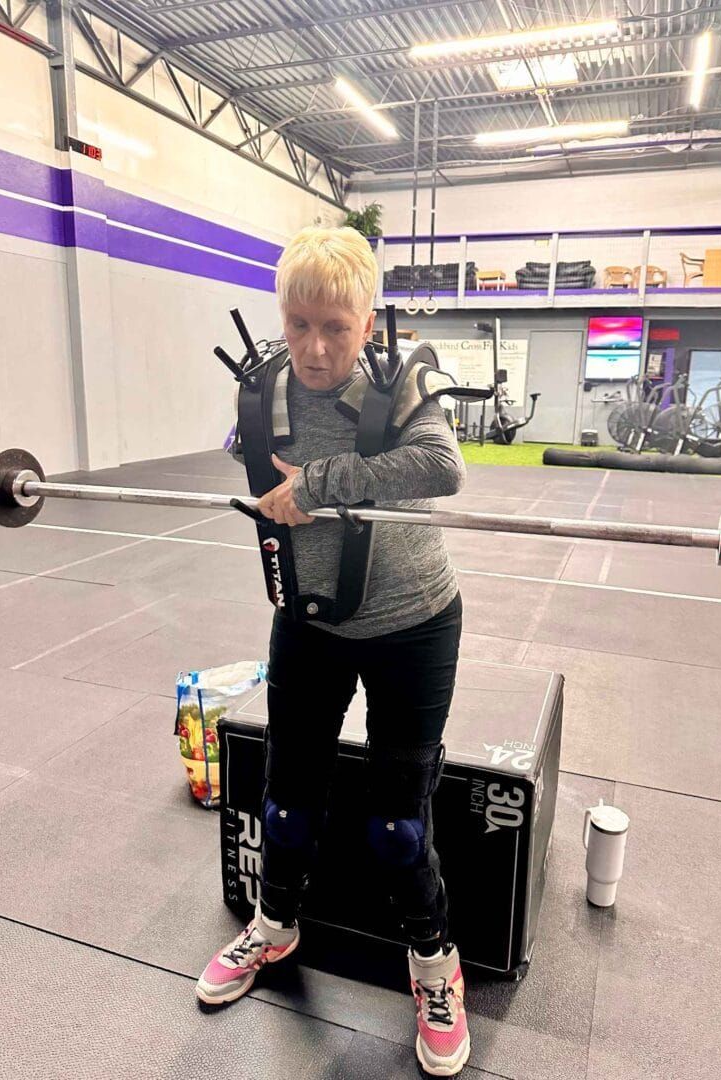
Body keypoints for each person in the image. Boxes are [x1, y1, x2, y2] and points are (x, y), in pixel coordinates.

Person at [196, 226, 471, 1076]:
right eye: (300, 324)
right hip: (309, 621)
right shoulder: (265, 387)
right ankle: (275, 928)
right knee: (286, 804)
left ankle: (435, 966)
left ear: (366, 323)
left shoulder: (401, 382)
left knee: (395, 823)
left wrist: (317, 484)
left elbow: (442, 467)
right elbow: (246, 455)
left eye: (336, 328)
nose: (315, 348)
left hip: (413, 623)